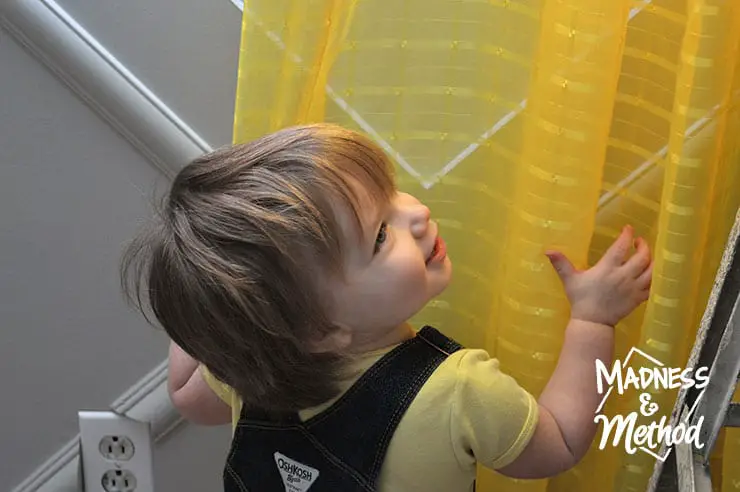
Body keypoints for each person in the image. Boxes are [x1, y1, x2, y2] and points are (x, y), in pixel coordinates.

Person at [121, 123, 653, 491]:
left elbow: (188, 399)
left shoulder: (256, 372)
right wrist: (591, 320)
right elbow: (556, 444)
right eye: (380, 235)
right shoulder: (460, 391)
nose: (417, 213)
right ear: (321, 329)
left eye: (392, 192)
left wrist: (213, 305)